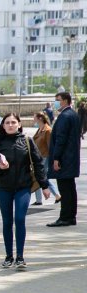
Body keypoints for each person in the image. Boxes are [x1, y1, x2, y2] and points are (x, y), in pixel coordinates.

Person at [0, 113, 50, 269]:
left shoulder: (27, 141)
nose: (10, 125)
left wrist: (44, 186)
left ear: (19, 124)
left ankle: (20, 257)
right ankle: (9, 256)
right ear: (3, 126)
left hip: (23, 187)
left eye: (13, 122)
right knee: (7, 221)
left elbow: (38, 164)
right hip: (4, 188)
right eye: (7, 122)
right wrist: (0, 168)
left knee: (20, 219)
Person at [47, 91, 81, 227]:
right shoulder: (73, 115)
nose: (56, 102)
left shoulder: (65, 116)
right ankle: (71, 216)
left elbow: (61, 139)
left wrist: (56, 158)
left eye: (58, 100)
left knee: (65, 190)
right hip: (71, 158)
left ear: (66, 101)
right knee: (70, 189)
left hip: (64, 159)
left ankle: (65, 217)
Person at [31, 112, 60, 206]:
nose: (33, 119)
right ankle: (40, 199)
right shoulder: (40, 129)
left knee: (41, 177)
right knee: (39, 176)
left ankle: (57, 196)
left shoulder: (48, 130)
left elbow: (50, 146)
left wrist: (53, 159)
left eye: (34, 117)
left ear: (40, 118)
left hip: (45, 157)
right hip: (38, 157)